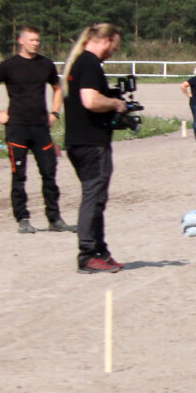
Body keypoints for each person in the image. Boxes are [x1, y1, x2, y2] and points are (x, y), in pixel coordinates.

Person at [0, 25, 69, 234]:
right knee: (19, 175)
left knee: (49, 172)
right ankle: (23, 218)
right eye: (31, 40)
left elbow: (58, 88)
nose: (35, 43)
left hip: (41, 128)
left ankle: (54, 219)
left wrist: (55, 113)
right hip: (17, 128)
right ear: (21, 41)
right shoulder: (9, 65)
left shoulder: (46, 64)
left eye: (38, 40)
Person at [62, 23, 130, 274]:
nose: (114, 51)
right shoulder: (89, 63)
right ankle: (88, 253)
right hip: (91, 143)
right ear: (106, 40)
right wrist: (116, 104)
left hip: (79, 141)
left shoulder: (76, 62)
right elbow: (90, 100)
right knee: (94, 197)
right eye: (115, 45)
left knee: (96, 197)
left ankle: (100, 250)